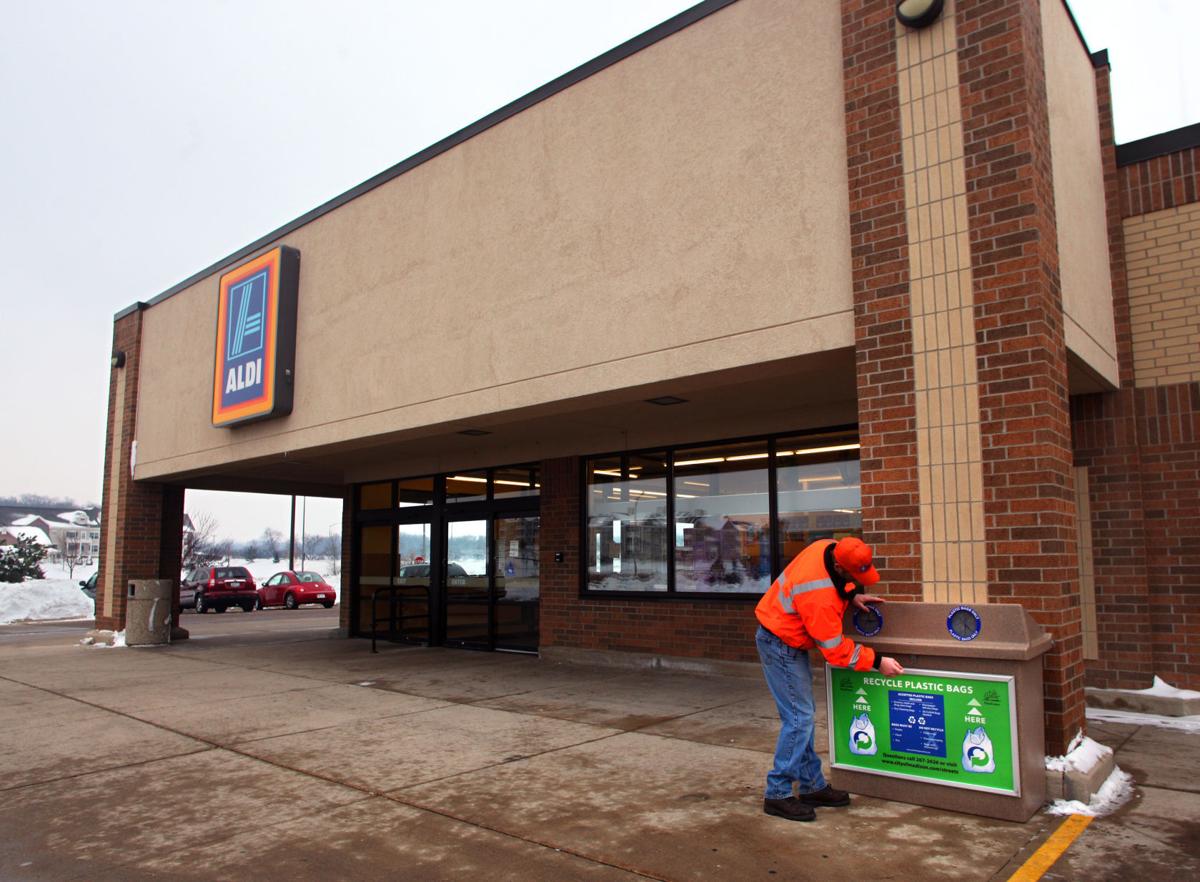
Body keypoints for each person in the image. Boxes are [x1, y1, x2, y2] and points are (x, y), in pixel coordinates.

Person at [754, 536, 904, 822]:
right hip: (780, 643)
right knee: (799, 719)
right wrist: (877, 661)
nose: (858, 580)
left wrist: (851, 595)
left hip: (785, 635)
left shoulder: (827, 545)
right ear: (839, 565)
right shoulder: (819, 596)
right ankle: (777, 793)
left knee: (803, 717)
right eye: (853, 577)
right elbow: (835, 651)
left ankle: (812, 786)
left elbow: (837, 582)